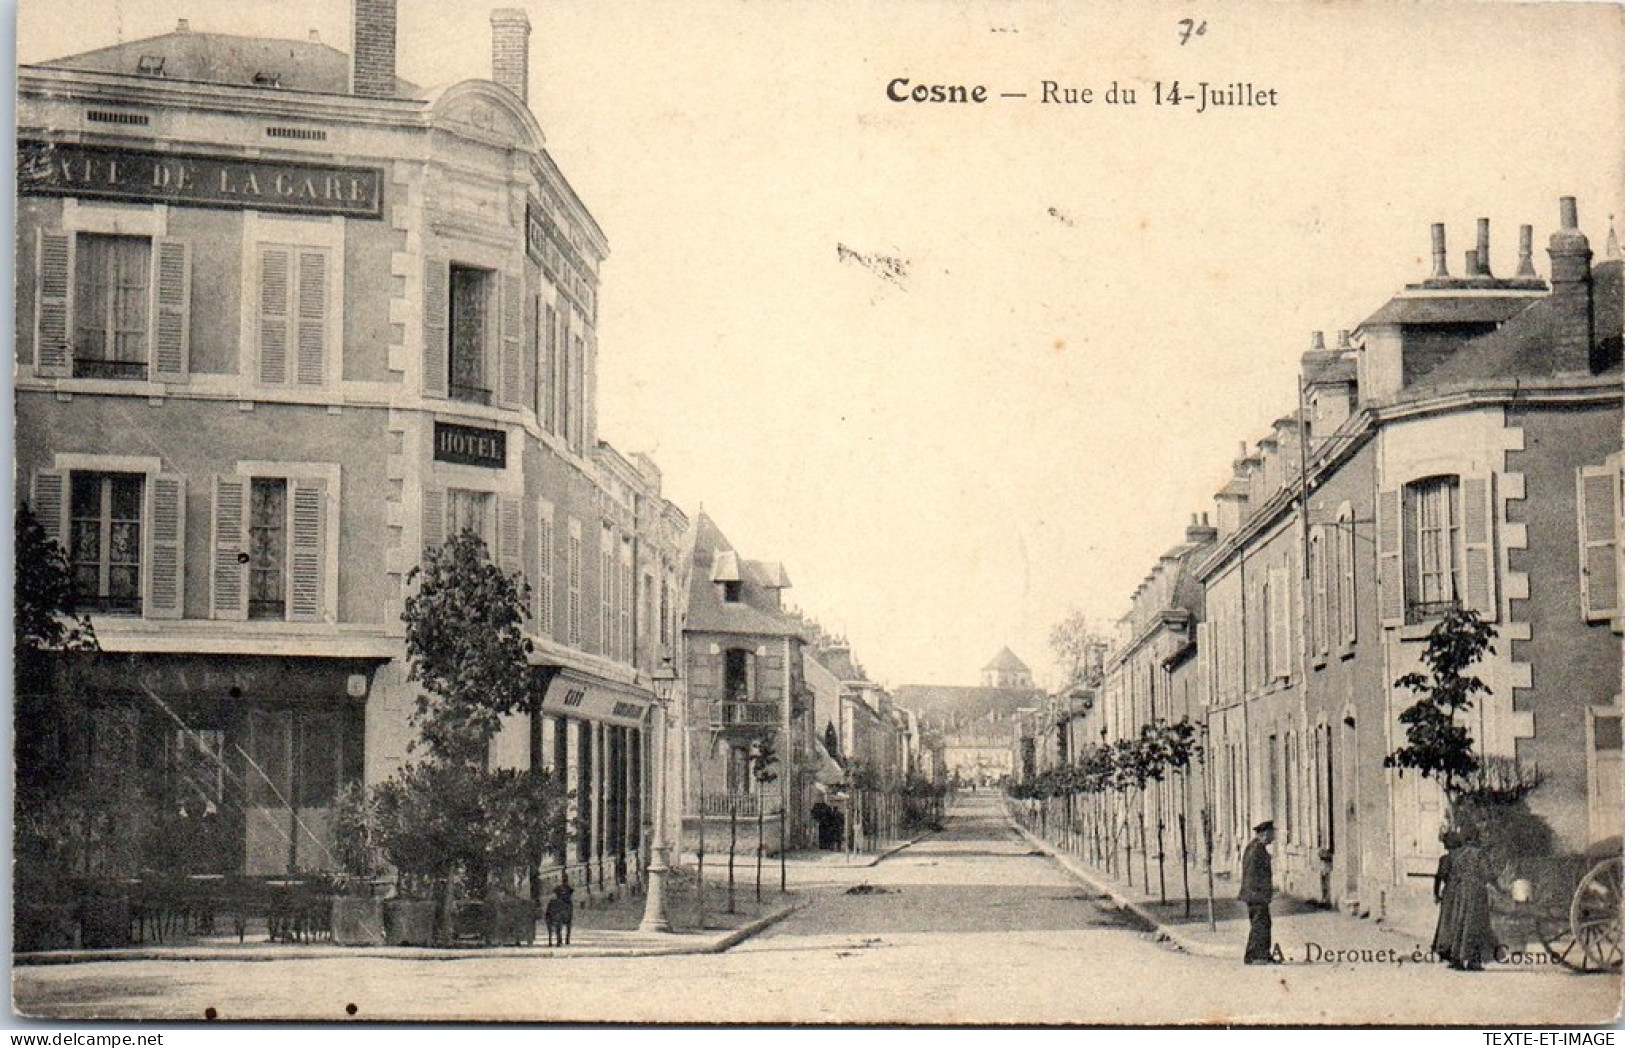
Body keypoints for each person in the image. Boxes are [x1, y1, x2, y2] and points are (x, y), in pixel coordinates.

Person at [1437, 824, 1497, 970]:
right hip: (1476, 892)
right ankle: (1473, 961)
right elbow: (1487, 874)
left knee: (1459, 923)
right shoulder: (1479, 854)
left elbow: (1450, 874)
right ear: (1476, 837)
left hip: (1460, 892)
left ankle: (1457, 959)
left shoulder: (1457, 854)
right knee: (1475, 925)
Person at [1240, 820, 1279, 964]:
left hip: (1255, 894)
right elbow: (1252, 874)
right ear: (1265, 834)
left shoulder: (1254, 847)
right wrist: (1261, 893)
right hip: (1256, 894)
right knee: (1259, 924)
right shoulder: (1256, 849)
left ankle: (1262, 954)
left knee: (1263, 923)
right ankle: (1253, 956)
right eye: (1271, 834)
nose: (1273, 837)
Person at [1431, 829, 1465, 963]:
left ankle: (1444, 948)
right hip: (1460, 890)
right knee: (1458, 919)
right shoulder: (1462, 857)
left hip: (1449, 891)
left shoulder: (1445, 859)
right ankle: (1456, 948)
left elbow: (1439, 877)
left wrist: (1436, 894)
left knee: (1446, 920)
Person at [544, 879, 574, 947]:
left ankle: (564, 938)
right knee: (566, 922)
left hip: (564, 904)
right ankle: (565, 939)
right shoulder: (565, 889)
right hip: (565, 904)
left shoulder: (564, 888)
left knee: (564, 922)